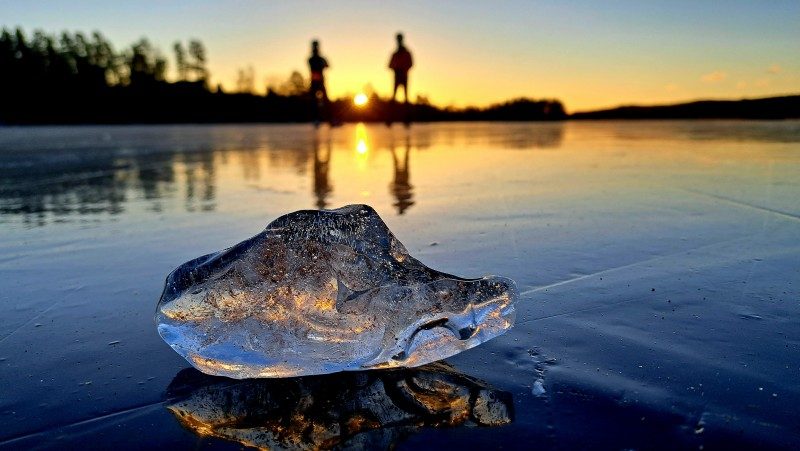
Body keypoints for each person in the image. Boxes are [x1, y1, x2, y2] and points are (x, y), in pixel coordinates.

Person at [388, 32, 413, 105]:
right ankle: (393, 104)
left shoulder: (407, 53)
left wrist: (404, 69)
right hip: (397, 74)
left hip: (404, 74)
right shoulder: (395, 53)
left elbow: (410, 63)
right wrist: (396, 69)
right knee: (395, 92)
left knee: (405, 93)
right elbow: (389, 65)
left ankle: (406, 106)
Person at [308, 40, 329, 123]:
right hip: (314, 82)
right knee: (314, 101)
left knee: (325, 100)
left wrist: (323, 64)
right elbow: (313, 66)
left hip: (321, 81)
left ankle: (329, 118)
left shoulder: (321, 58)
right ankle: (315, 118)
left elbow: (327, 65)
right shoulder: (311, 59)